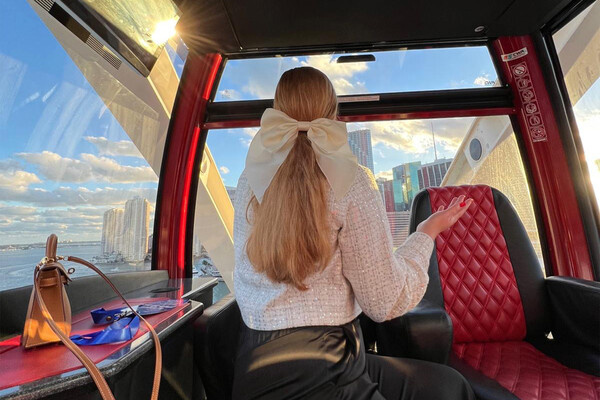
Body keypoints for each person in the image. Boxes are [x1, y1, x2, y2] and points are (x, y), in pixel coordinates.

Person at [232, 66, 475, 400]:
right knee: (451, 389)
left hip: (253, 367)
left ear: (277, 113)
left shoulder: (250, 179)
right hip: (330, 366)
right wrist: (426, 232)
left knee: (446, 385)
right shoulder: (349, 180)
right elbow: (383, 301)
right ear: (333, 115)